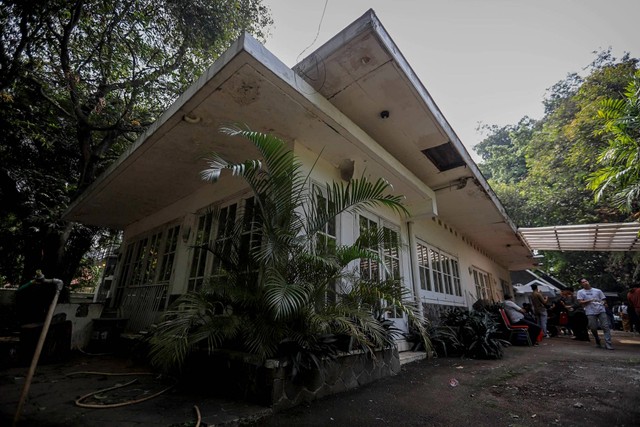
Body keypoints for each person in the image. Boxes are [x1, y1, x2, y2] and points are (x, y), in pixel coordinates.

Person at [577, 278, 613, 350]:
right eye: (583, 282)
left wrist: (604, 304)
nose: (585, 283)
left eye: (586, 281)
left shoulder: (597, 290)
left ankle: (608, 343)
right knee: (593, 328)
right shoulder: (580, 292)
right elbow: (580, 302)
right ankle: (597, 339)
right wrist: (590, 300)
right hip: (590, 311)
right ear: (581, 284)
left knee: (605, 326)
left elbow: (603, 299)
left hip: (601, 310)